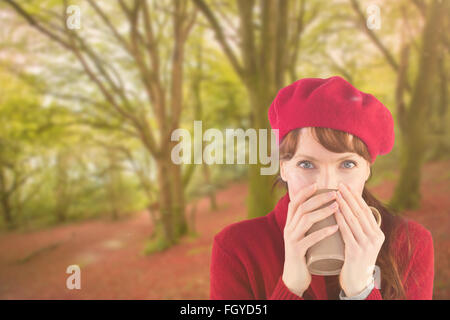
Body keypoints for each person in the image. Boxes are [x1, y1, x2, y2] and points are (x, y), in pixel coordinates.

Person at [209, 76, 434, 300]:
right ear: (283, 168)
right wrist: (290, 287)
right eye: (306, 164)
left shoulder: (410, 244)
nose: (328, 184)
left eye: (347, 164)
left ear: (367, 170)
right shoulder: (236, 248)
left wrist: (361, 291)